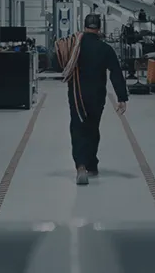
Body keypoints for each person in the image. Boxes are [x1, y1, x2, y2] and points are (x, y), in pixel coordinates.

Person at [57, 13, 129, 185]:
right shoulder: (105, 49)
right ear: (99, 28)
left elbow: (57, 61)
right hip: (97, 96)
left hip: (77, 94)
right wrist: (122, 97)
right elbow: (116, 73)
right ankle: (91, 164)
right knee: (92, 128)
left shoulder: (75, 46)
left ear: (85, 26)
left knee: (78, 127)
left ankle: (81, 166)